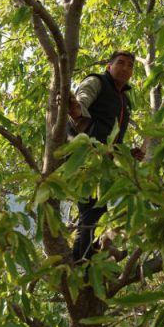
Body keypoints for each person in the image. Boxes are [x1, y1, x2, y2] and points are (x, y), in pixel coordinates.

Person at [67, 50, 145, 262]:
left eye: (130, 65)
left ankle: (90, 253)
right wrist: (77, 110)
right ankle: (79, 261)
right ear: (109, 66)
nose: (125, 68)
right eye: (120, 63)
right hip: (83, 157)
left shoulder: (123, 101)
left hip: (104, 163)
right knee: (91, 210)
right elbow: (82, 100)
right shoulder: (96, 81)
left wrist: (128, 153)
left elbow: (110, 137)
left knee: (100, 209)